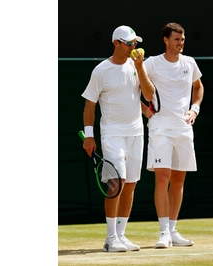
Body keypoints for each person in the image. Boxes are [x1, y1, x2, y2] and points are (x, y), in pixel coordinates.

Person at [81, 25, 155, 252]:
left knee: (130, 185)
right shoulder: (101, 70)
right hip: (112, 133)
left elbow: (149, 95)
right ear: (116, 43)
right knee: (116, 184)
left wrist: (141, 67)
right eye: (129, 43)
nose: (134, 46)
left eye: (136, 43)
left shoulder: (137, 66)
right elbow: (89, 106)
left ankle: (121, 235)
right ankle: (110, 238)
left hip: (136, 133)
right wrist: (89, 136)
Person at [143, 22, 204, 248]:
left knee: (178, 180)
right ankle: (163, 233)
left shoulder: (189, 63)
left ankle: (173, 229)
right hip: (160, 129)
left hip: (184, 129)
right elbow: (132, 86)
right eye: (176, 39)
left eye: (183, 39)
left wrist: (194, 109)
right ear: (166, 40)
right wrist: (143, 109)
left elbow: (198, 87)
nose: (181, 43)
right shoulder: (152, 63)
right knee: (162, 178)